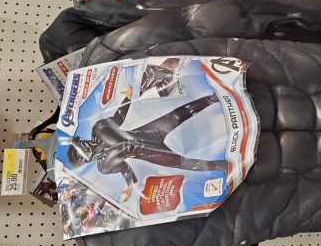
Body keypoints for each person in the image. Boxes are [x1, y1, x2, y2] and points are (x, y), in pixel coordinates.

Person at [67, 84, 228, 201]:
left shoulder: (99, 129)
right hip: (151, 154)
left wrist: (128, 97)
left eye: (81, 144)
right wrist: (131, 187)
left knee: (178, 115)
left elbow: (118, 117)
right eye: (82, 155)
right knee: (184, 163)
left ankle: (212, 98)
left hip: (149, 132)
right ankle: (221, 166)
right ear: (86, 160)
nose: (85, 147)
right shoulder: (104, 166)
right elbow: (125, 169)